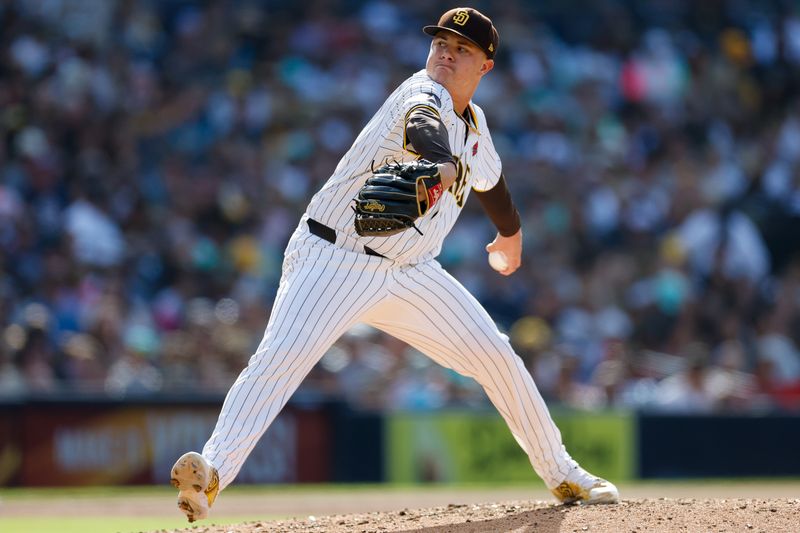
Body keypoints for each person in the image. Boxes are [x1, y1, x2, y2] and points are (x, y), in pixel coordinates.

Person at [170, 7, 619, 522]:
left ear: (485, 66)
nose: (446, 54)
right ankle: (211, 473)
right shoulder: (420, 94)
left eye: (462, 50)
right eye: (440, 45)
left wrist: (510, 235)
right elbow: (423, 128)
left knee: (496, 356)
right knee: (280, 361)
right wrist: (442, 162)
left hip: (411, 270)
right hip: (334, 256)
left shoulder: (476, 126)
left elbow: (490, 180)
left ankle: (562, 473)